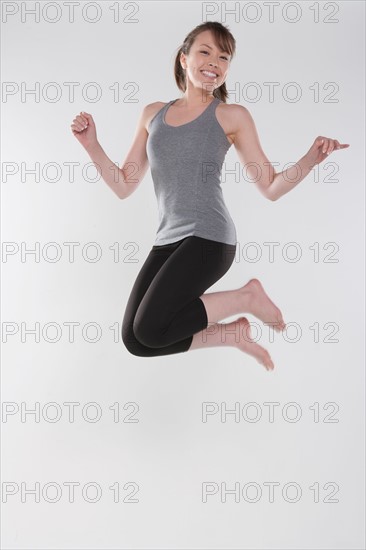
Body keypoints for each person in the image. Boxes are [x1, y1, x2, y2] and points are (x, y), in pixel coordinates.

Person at [70, 22, 350, 371]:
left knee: (151, 327)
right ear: (184, 59)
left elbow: (271, 187)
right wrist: (92, 145)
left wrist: (311, 158)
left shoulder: (231, 116)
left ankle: (247, 297)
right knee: (136, 340)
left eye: (224, 56)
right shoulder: (152, 114)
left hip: (209, 238)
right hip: (167, 239)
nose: (214, 62)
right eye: (205, 51)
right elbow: (125, 184)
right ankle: (232, 335)